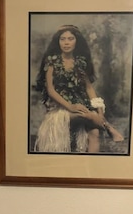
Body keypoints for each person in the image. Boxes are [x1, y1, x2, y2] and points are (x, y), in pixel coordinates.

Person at [33, 24, 124, 153]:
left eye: (70, 39)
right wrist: (71, 106)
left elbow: (89, 88)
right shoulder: (52, 61)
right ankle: (108, 127)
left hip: (80, 106)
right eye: (62, 39)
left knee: (95, 132)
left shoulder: (80, 62)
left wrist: (99, 110)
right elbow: (51, 90)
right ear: (58, 41)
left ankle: (93, 168)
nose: (66, 43)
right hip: (59, 109)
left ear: (77, 41)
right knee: (85, 116)